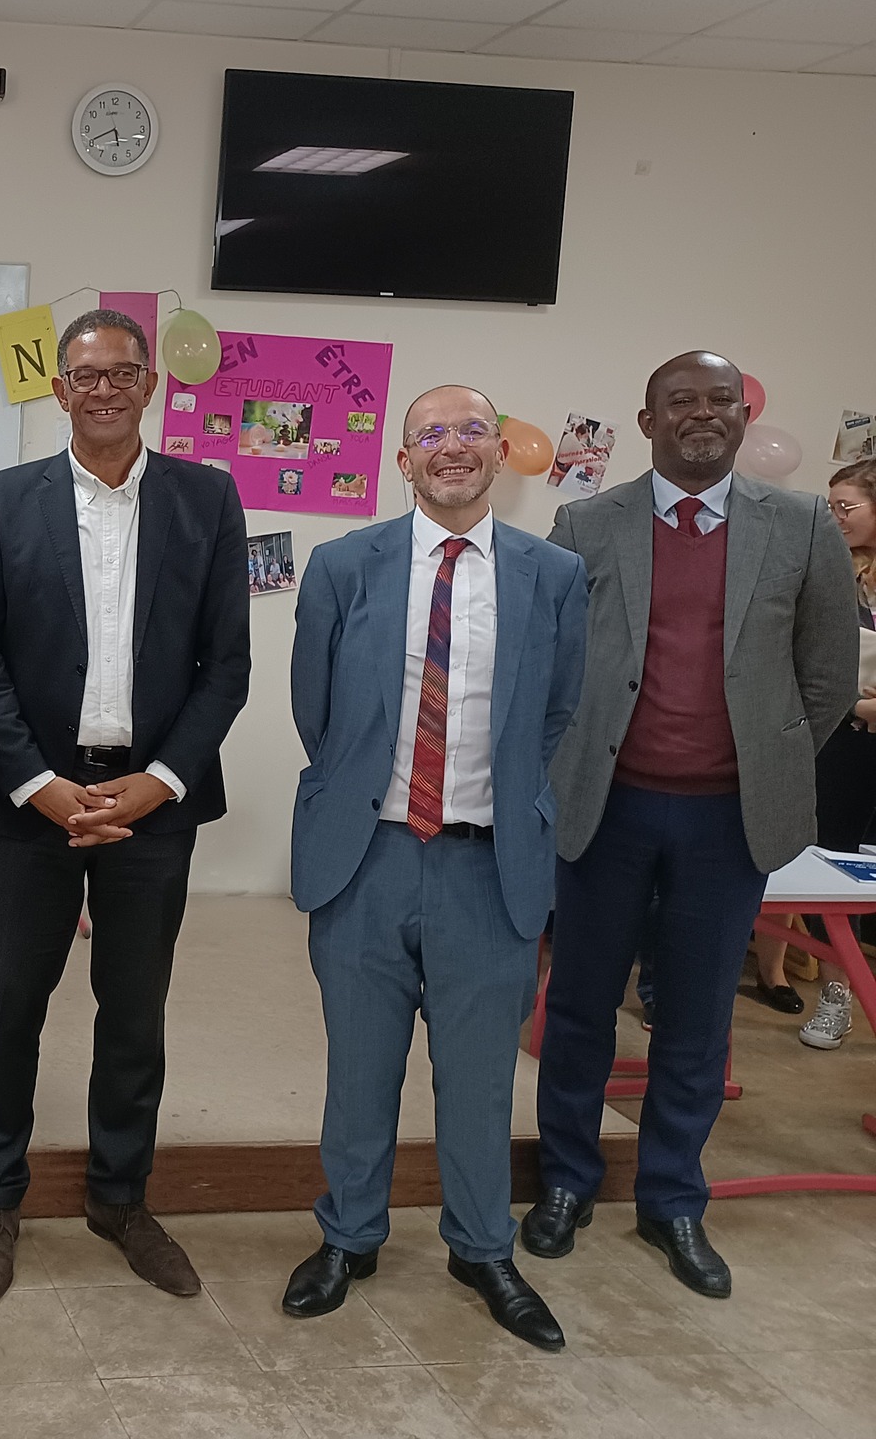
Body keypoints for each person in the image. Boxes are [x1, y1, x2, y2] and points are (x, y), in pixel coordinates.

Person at [526, 351, 858, 1299]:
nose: (701, 416)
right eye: (681, 402)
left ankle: (672, 1197)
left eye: (720, 401)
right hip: (607, 807)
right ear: (647, 420)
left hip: (729, 819)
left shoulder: (798, 525)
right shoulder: (587, 521)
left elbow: (829, 676)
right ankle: (565, 1182)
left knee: (699, 1016)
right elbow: (554, 663)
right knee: (582, 1007)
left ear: (744, 418)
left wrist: (769, 744)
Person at [0, 308, 251, 1306]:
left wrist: (157, 780)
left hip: (150, 801)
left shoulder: (207, 499)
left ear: (151, 385)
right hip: (32, 797)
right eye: (87, 376)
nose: (106, 390)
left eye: (125, 373)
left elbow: (225, 666)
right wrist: (38, 784)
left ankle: (119, 1199)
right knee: (7, 1011)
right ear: (59, 391)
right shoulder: (1, 501)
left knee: (133, 1014)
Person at [284, 387, 587, 1350]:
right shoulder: (343, 566)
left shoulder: (555, 574)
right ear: (402, 459)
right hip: (367, 858)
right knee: (359, 1071)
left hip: (488, 866)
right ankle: (350, 1236)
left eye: (469, 432)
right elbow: (317, 713)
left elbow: (555, 714)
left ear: (498, 451)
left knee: (481, 1075)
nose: (450, 448)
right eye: (429, 435)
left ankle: (482, 1246)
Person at [799, 459, 876, 1049]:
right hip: (840, 740)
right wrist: (858, 706)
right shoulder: (824, 568)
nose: (835, 517)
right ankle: (836, 994)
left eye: (846, 506)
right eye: (830, 505)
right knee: (832, 859)